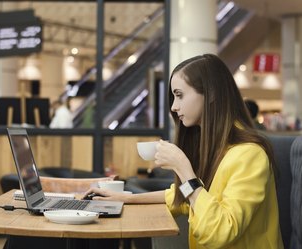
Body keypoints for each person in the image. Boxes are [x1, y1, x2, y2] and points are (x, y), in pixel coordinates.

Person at [85, 54, 284, 249]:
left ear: (211, 93)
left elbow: (220, 232)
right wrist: (127, 198)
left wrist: (184, 170)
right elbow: (184, 198)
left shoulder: (249, 155)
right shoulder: (215, 148)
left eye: (179, 95)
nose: (174, 106)